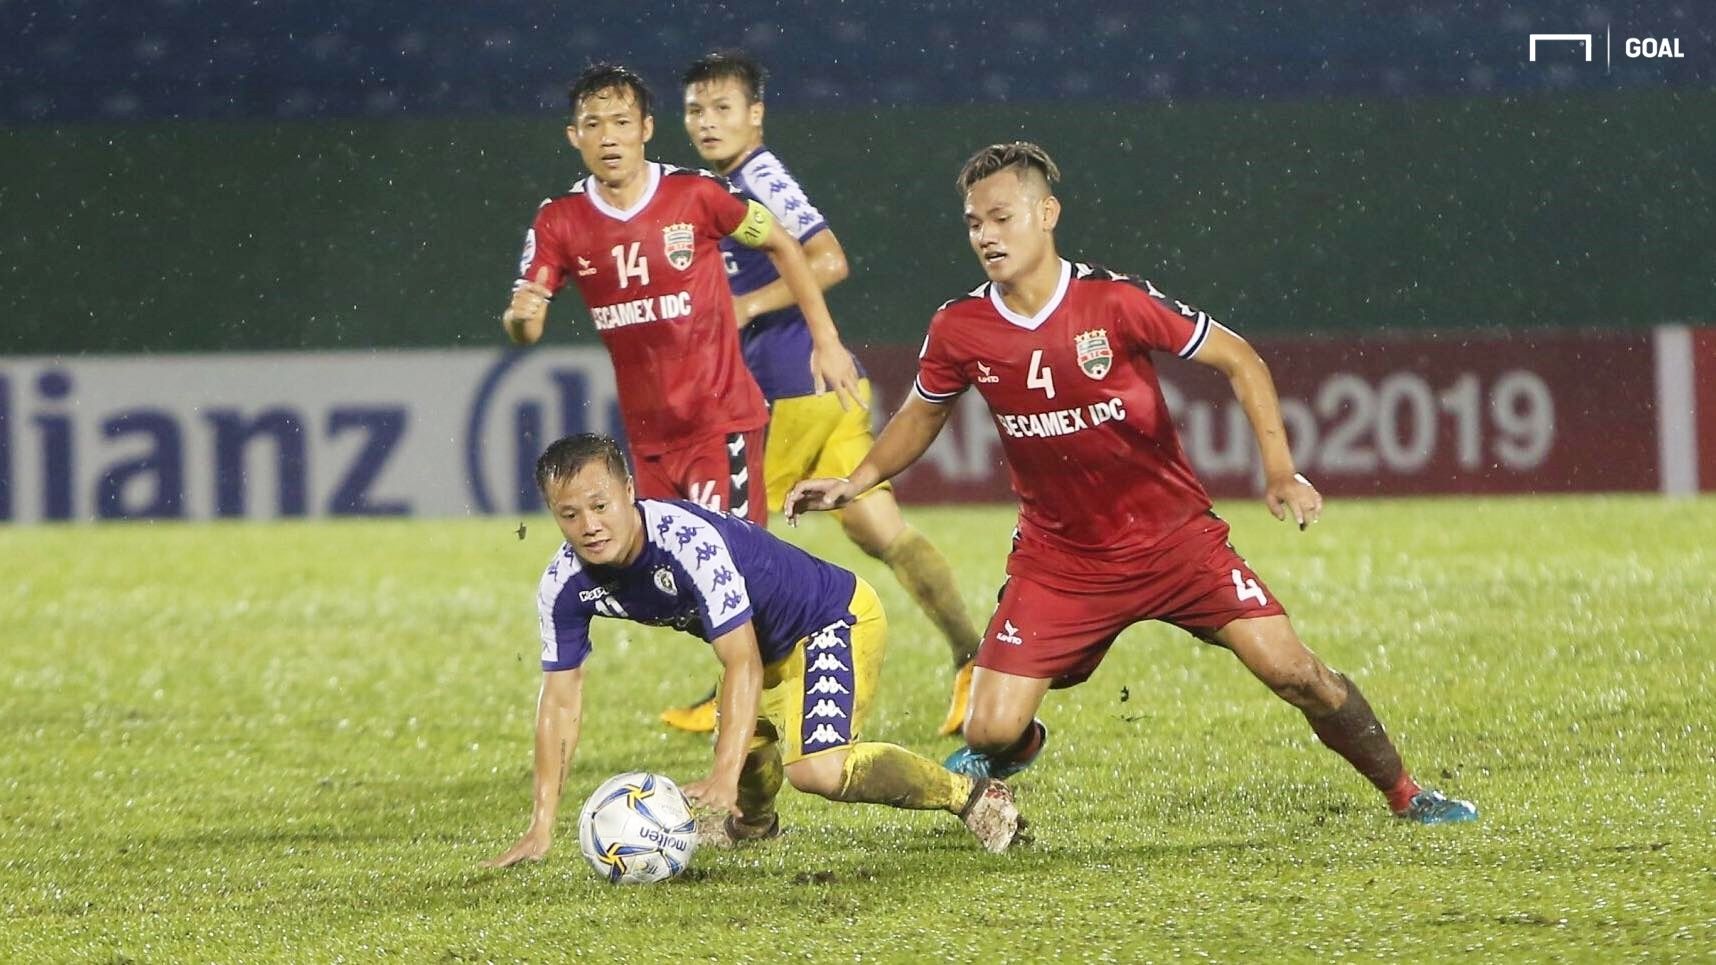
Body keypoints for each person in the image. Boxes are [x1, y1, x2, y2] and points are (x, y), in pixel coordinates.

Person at [787, 142, 1478, 825]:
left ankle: (1407, 793)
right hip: (1062, 561)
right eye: (974, 223)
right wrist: (858, 479)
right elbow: (922, 413)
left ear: (1047, 213)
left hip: (1178, 545)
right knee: (987, 731)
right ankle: (1014, 750)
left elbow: (1240, 359)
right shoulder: (960, 326)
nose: (986, 236)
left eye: (1001, 217)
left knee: (1294, 671)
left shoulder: (1113, 302)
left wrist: (1278, 471)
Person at [482, 433, 1027, 869]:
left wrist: (720, 774)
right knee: (749, 765)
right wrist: (541, 824)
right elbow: (559, 701)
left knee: (815, 770)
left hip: (831, 619)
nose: (589, 526)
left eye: (600, 505)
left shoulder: (686, 542)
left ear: (628, 490)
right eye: (569, 514)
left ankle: (972, 795)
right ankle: (752, 827)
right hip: (763, 651)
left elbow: (738, 660)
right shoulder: (564, 583)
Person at [658, 50, 981, 738]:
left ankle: (739, 692)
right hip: (822, 390)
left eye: (723, 108)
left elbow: (829, 257)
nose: (708, 123)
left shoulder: (758, 177)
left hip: (787, 393)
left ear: (756, 115)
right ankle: (974, 657)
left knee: (721, 536)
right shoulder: (725, 182)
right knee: (880, 528)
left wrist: (745, 311)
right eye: (695, 110)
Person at [502, 63, 862, 531]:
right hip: (648, 437)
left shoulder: (697, 194)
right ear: (574, 135)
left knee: (731, 573)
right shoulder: (559, 221)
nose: (608, 138)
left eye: (622, 123)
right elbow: (526, 328)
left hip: (721, 423)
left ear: (646, 129)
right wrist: (518, 317)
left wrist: (827, 342)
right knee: (674, 585)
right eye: (594, 125)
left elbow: (783, 244)